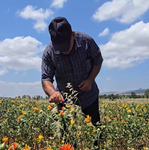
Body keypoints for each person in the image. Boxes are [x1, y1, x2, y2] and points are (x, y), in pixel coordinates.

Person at [41, 16, 103, 149]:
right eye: (60, 48)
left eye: (66, 46)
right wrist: (53, 93)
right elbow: (46, 78)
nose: (64, 51)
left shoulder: (86, 41)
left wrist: (90, 80)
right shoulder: (49, 52)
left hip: (89, 95)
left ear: (73, 35)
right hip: (64, 99)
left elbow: (98, 61)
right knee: (67, 138)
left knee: (96, 134)